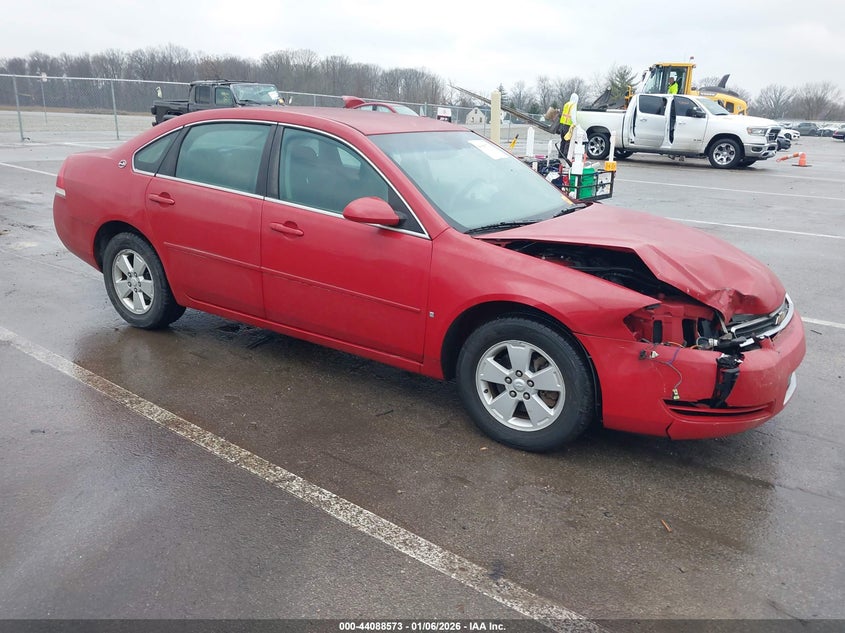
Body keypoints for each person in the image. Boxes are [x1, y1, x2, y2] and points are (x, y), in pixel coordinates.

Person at [558, 93, 579, 160]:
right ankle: (566, 154)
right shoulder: (573, 105)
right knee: (568, 140)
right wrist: (575, 124)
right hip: (568, 125)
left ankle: (560, 154)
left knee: (563, 140)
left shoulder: (566, 104)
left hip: (562, 124)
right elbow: (573, 115)